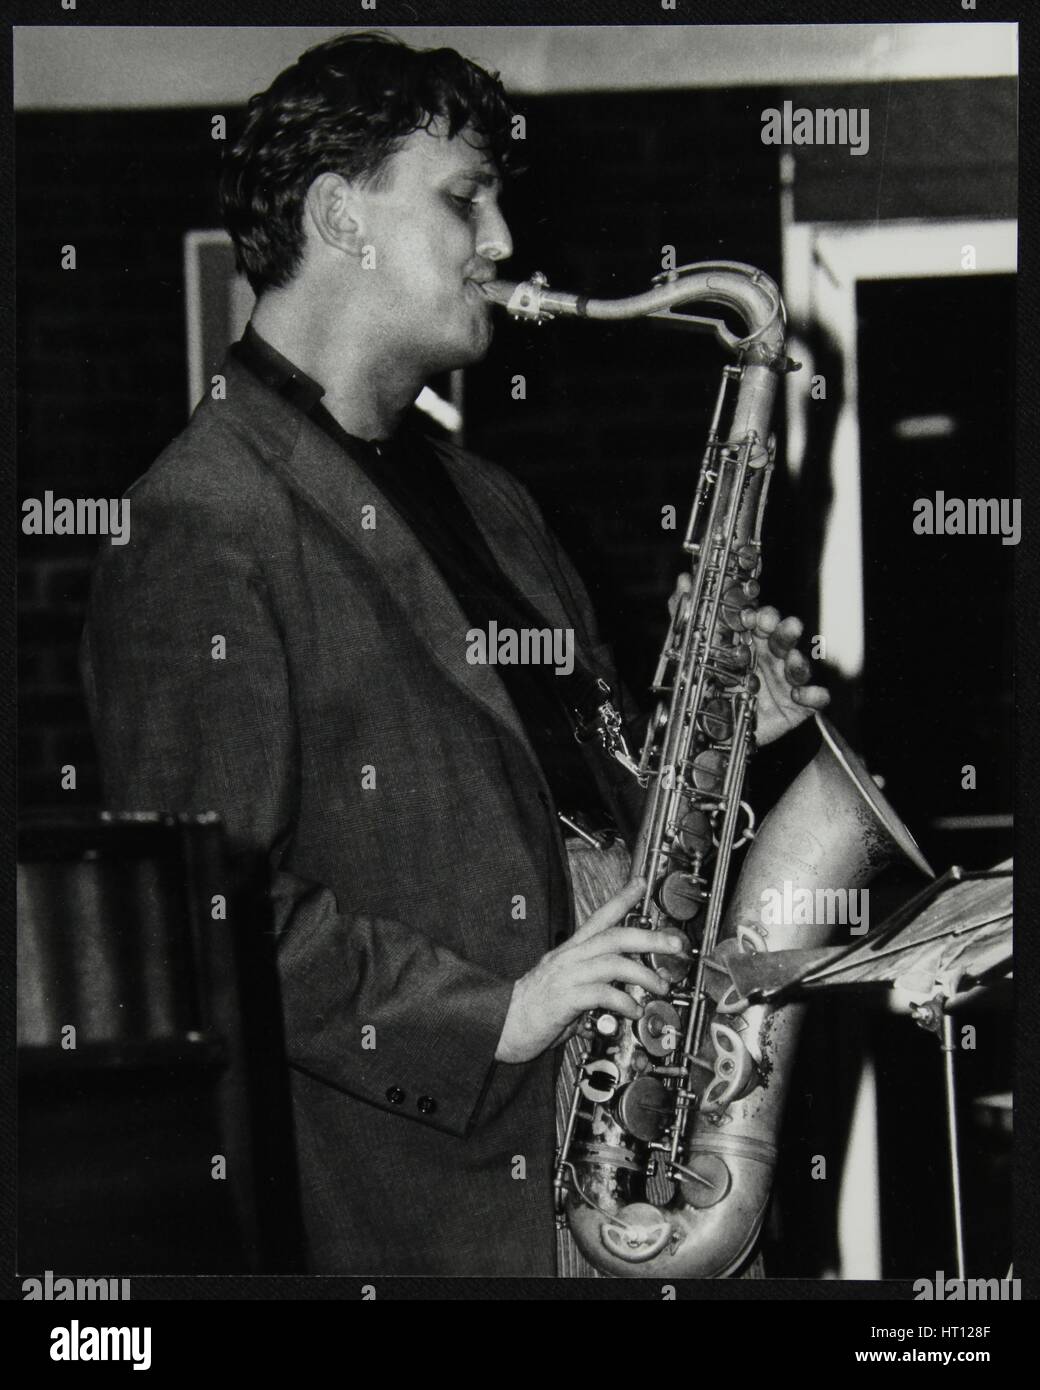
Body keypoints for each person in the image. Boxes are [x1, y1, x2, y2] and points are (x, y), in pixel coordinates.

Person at [81, 31, 828, 1276]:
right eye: (462, 197)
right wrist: (505, 1014)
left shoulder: (491, 501)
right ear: (339, 216)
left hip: (627, 1157)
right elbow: (210, 916)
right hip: (445, 1212)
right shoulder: (199, 523)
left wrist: (709, 746)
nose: (499, 244)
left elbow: (575, 815)